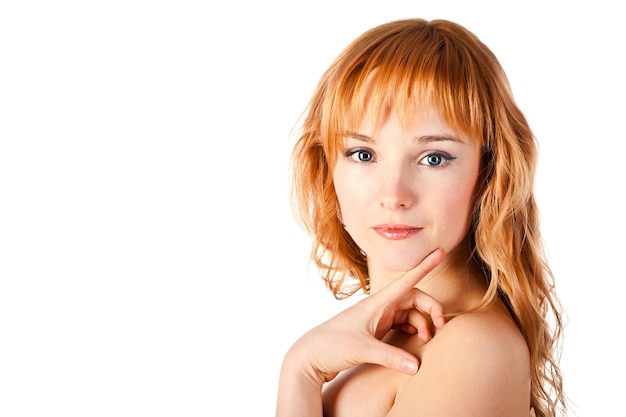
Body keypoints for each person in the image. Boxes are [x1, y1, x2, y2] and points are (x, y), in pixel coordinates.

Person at [276, 18, 566, 417]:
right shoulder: (366, 342)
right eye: (363, 154)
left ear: (488, 174)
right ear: (327, 169)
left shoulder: (474, 348)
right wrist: (300, 369)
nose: (393, 195)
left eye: (434, 158)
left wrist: (301, 372)